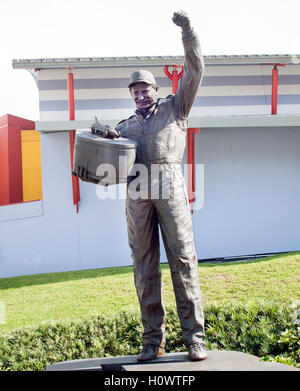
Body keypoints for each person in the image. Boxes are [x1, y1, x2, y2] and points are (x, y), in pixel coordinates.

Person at [113, 10, 207, 362]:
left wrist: (188, 32)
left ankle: (194, 338)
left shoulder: (176, 109)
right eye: (135, 91)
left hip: (170, 189)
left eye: (145, 89)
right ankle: (153, 340)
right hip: (137, 194)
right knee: (144, 265)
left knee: (182, 260)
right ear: (132, 95)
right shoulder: (124, 127)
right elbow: (106, 162)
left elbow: (195, 70)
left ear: (156, 90)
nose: (140, 95)